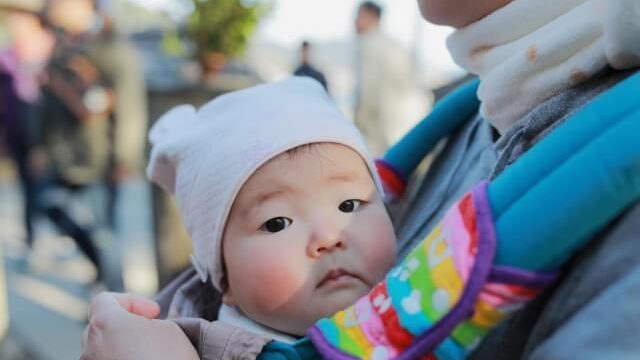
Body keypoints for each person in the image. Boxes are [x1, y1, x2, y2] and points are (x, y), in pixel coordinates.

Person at [82, 0, 640, 359]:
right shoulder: (482, 107)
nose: (329, 235)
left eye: (353, 204)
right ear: (219, 277)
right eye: (277, 221)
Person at [0, 0, 54, 247]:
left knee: (51, 196)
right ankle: (32, 239)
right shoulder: (7, 59)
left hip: (50, 139)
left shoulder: (54, 52)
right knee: (27, 191)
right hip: (18, 134)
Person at [353, 1, 417, 155]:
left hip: (381, 128)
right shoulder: (394, 45)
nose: (355, 22)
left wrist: (357, 124)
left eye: (358, 16)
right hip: (404, 124)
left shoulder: (370, 44)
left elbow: (368, 91)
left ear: (371, 17)